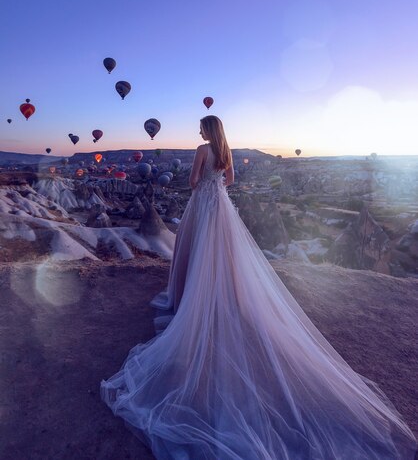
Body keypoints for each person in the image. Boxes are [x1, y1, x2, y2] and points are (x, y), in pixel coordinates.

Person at [101, 116, 417, 460]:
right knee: (221, 255)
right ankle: (225, 295)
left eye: (202, 128)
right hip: (220, 206)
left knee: (195, 251)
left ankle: (191, 296)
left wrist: (203, 185)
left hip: (202, 205)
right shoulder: (226, 151)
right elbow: (230, 180)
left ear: (207, 130)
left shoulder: (202, 150)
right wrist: (216, 186)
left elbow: (192, 181)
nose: (199, 132)